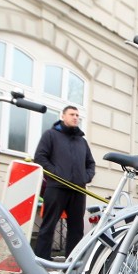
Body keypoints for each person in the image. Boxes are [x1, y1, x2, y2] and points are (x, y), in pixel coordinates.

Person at [33, 105, 96, 260]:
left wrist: (85, 177)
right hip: (56, 188)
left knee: (76, 229)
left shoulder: (82, 141)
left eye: (77, 115)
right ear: (63, 116)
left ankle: (72, 262)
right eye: (72, 114)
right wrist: (56, 175)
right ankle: (41, 261)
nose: (75, 117)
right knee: (48, 225)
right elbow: (40, 157)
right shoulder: (51, 135)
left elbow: (91, 163)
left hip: (78, 190)